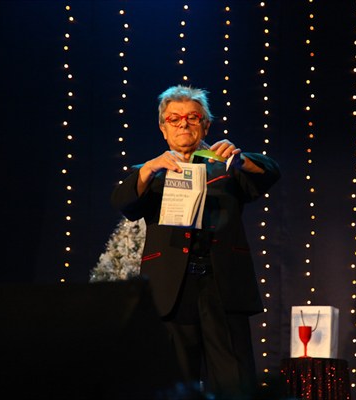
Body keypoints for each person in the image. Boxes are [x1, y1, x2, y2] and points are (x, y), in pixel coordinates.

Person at [111, 85, 280, 398]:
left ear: (206, 125)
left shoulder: (226, 165)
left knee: (234, 378)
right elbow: (123, 202)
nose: (183, 124)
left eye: (192, 117)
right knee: (172, 379)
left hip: (222, 283)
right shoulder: (151, 172)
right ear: (163, 128)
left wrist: (240, 159)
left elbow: (270, 172)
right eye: (174, 119)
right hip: (171, 288)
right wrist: (149, 168)